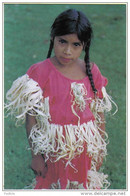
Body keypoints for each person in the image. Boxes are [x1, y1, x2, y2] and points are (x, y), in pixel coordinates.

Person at [5, 9, 117, 189]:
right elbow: (31, 119)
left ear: (85, 45)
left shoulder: (91, 71)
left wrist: (99, 150)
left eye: (76, 45)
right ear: (53, 38)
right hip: (54, 151)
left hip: (84, 150)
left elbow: (99, 114)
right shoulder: (40, 72)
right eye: (62, 42)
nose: (67, 51)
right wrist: (36, 156)